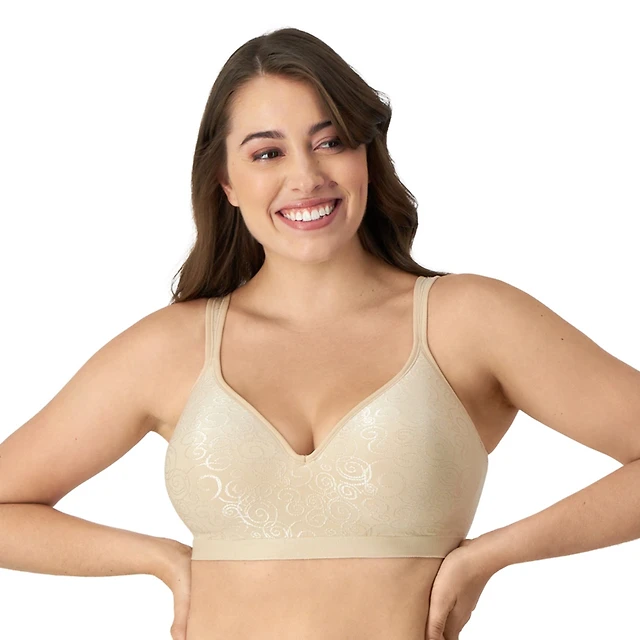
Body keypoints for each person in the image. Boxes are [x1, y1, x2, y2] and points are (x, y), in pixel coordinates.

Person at [1, 26, 639, 640]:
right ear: (227, 182)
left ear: (366, 156)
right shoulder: (171, 347)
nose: (306, 177)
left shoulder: (468, 320)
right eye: (267, 153)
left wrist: (487, 557)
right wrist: (162, 559)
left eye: (330, 141)